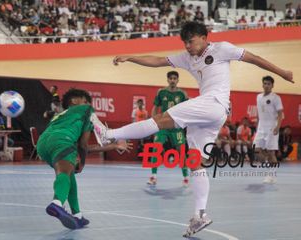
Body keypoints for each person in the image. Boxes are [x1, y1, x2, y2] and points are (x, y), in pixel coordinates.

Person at [92, 22, 293, 237]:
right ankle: (199, 216)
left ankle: (108, 134)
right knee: (195, 161)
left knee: (161, 119)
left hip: (213, 103)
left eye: (191, 40)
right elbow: (158, 61)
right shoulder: (187, 57)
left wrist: (282, 72)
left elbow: (253, 58)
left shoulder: (222, 48)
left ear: (204, 37)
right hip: (213, 114)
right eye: (185, 42)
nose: (188, 45)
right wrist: (130, 57)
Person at [36, 88, 132, 230]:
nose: (88, 104)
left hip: (43, 144)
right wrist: (83, 163)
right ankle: (57, 203)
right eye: (86, 101)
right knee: (64, 173)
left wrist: (113, 146)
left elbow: (82, 148)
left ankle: (77, 215)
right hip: (62, 140)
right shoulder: (86, 110)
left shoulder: (62, 115)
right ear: (74, 101)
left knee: (69, 175)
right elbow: (83, 144)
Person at [147, 71, 189, 187]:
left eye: (175, 78)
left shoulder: (183, 94)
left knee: (181, 152)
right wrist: (153, 123)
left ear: (177, 80)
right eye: (170, 78)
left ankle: (185, 177)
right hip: (163, 126)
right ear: (167, 80)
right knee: (156, 148)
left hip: (176, 127)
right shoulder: (161, 92)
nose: (172, 80)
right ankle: (153, 177)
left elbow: (187, 111)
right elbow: (155, 108)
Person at [254, 76, 284, 184]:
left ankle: (271, 175)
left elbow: (280, 114)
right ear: (262, 84)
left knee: (271, 152)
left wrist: (277, 127)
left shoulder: (276, 98)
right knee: (256, 150)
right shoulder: (258, 97)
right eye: (265, 83)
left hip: (272, 127)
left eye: (268, 84)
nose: (266, 85)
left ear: (272, 86)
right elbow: (259, 113)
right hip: (261, 128)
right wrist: (257, 127)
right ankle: (268, 166)